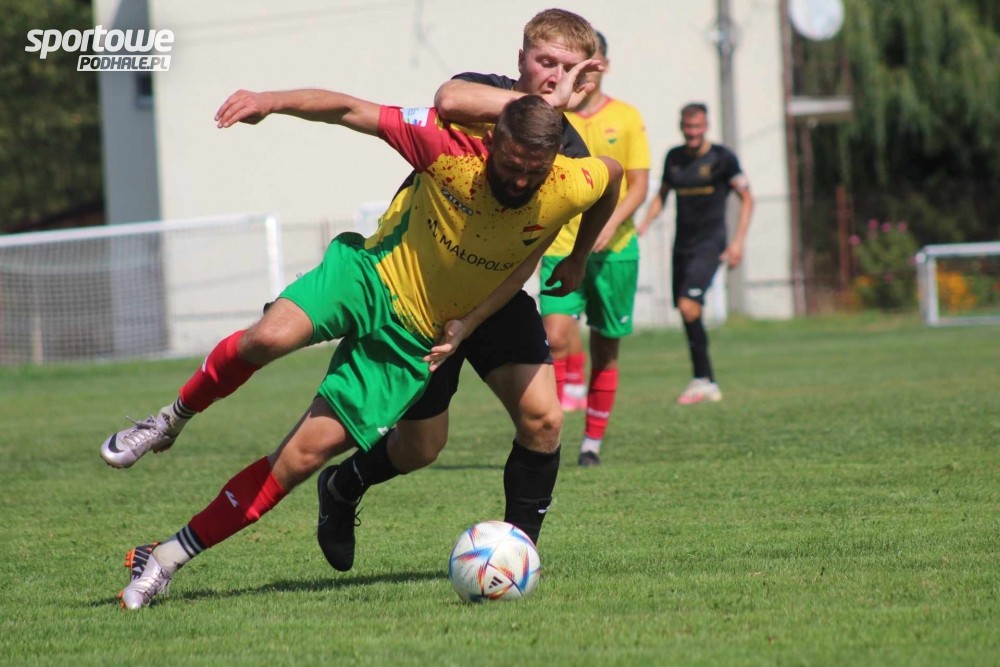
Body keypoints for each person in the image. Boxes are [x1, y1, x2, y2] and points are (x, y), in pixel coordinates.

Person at [111, 91, 623, 610]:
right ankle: (168, 419)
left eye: (533, 172)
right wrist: (271, 101)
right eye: (511, 166)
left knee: (300, 458)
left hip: (411, 340)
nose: (519, 181)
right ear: (493, 142)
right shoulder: (445, 149)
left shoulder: (567, 183)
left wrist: (578, 256)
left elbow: (614, 175)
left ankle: (165, 559)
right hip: (367, 277)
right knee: (269, 337)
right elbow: (351, 110)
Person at [310, 8, 605, 572]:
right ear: (521, 59)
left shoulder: (568, 154)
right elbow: (447, 99)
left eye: (567, 67)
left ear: (583, 79)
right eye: (545, 61)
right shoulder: (481, 94)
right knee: (421, 447)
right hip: (425, 297)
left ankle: (518, 556)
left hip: (494, 299)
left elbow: (541, 243)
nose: (553, 75)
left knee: (544, 420)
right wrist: (542, 103)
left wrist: (579, 257)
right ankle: (342, 486)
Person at [537, 31, 650, 467]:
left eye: (594, 60)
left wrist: (610, 223)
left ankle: (591, 445)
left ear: (604, 65)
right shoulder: (552, 116)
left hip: (615, 252)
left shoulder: (626, 117)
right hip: (561, 246)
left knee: (605, 348)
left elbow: (638, 186)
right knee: (554, 337)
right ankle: (550, 433)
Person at [637, 102, 754, 404]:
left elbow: (747, 198)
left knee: (689, 306)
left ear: (706, 126)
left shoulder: (722, 158)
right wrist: (643, 225)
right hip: (682, 245)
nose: (693, 132)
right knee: (687, 310)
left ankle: (704, 379)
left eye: (698, 127)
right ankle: (704, 380)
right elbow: (662, 195)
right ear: (682, 127)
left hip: (710, 243)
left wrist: (738, 242)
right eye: (688, 127)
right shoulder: (674, 158)